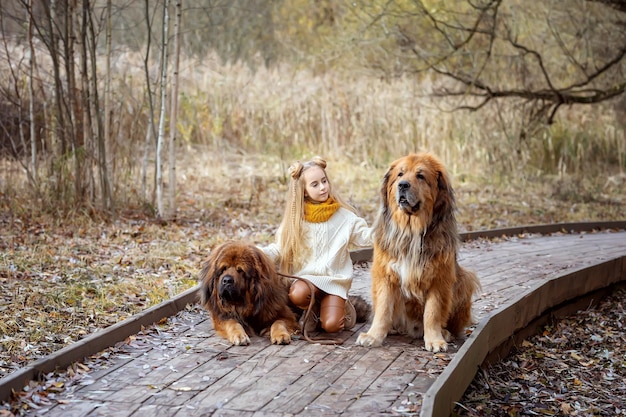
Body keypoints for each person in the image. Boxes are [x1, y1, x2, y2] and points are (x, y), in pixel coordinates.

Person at [262, 156, 373, 333]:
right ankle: (313, 310)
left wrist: (388, 226)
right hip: (307, 281)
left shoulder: (345, 217)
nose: (322, 187)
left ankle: (342, 306)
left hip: (334, 282)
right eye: (315, 184)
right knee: (297, 294)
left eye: (324, 181)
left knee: (331, 327)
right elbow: (278, 249)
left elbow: (367, 238)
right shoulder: (295, 220)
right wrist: (257, 254)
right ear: (304, 191)